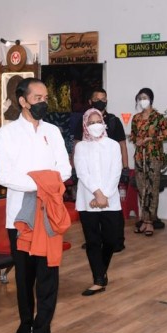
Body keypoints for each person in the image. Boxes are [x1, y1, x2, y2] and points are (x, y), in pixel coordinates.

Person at [0, 77, 72, 333]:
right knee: (25, 276)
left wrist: (43, 183)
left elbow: (64, 169)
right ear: (23, 101)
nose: (43, 102)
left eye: (45, 97)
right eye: (37, 98)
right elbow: (5, 176)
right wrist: (43, 181)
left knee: (49, 275)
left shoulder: (53, 131)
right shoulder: (7, 133)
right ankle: (27, 322)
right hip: (20, 216)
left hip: (50, 212)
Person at [74, 108, 122, 296]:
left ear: (104, 123)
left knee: (111, 240)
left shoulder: (113, 145)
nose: (95, 125)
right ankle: (98, 279)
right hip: (88, 200)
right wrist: (96, 194)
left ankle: (101, 270)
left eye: (98, 121)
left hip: (110, 200)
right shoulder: (81, 147)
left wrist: (104, 196)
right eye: (91, 122)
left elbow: (116, 171)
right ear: (85, 125)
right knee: (93, 241)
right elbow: (82, 173)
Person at [73, 88, 128, 252]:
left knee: (113, 215)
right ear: (90, 101)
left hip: (109, 179)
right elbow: (76, 145)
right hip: (89, 179)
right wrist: (75, 168)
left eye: (103, 98)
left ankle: (116, 241)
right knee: (90, 219)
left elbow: (122, 145)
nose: (100, 101)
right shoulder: (83, 122)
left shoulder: (113, 121)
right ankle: (93, 242)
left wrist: (125, 167)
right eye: (97, 98)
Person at [129, 88, 167, 237]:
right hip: (140, 156)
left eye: (144, 97)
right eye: (140, 98)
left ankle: (150, 222)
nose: (142, 100)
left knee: (152, 188)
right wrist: (137, 140)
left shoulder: (158, 117)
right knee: (142, 188)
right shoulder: (136, 118)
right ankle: (144, 220)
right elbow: (133, 135)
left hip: (154, 156)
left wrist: (150, 139)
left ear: (151, 99)